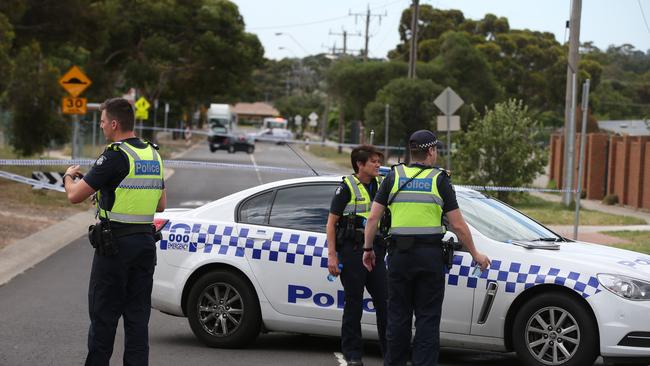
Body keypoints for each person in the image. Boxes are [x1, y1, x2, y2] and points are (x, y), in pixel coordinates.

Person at [361, 130, 490, 366]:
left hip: (399, 257)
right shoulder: (439, 180)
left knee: (398, 318)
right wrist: (476, 254)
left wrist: (368, 250)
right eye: (436, 149)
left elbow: (372, 219)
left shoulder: (393, 176)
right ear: (430, 151)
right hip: (429, 258)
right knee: (427, 320)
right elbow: (458, 225)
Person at [63, 97, 167, 366]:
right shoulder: (153, 154)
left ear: (114, 123)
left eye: (102, 123)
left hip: (115, 248)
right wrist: (108, 196)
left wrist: (68, 177)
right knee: (137, 320)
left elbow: (74, 195)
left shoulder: (114, 156)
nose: (101, 128)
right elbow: (161, 203)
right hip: (145, 245)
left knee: (104, 319)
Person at [326, 145, 388, 366]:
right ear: (360, 165)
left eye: (379, 161)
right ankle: (353, 356)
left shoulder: (382, 184)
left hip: (376, 252)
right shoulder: (347, 188)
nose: (378, 165)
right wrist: (332, 255)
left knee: (385, 302)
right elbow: (331, 224)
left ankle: (390, 355)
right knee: (354, 304)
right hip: (352, 252)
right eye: (373, 161)